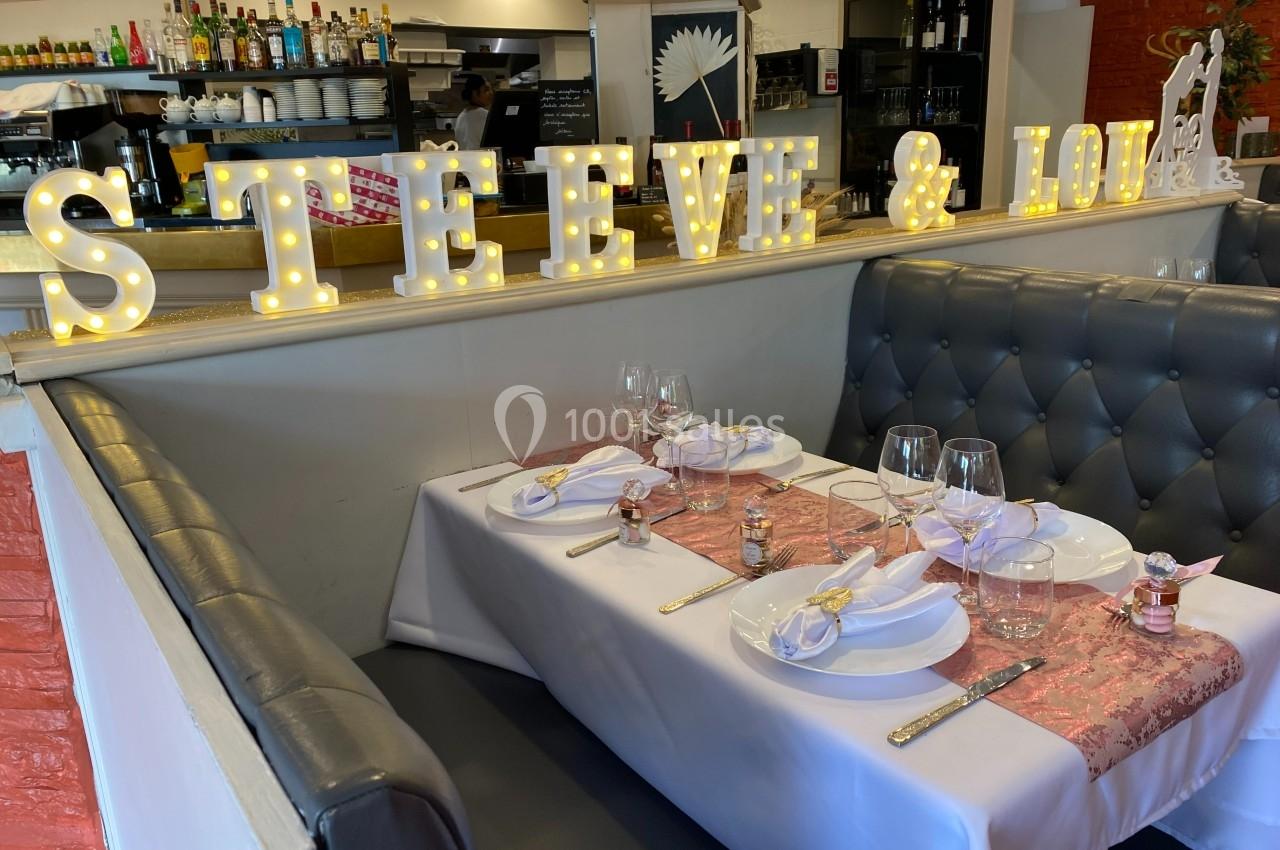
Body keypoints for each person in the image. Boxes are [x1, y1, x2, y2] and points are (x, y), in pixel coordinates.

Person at [455, 75, 493, 150]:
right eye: (486, 90)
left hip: (465, 159)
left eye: (491, 89)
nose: (491, 93)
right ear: (474, 93)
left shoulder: (461, 116)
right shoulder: (484, 115)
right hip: (483, 159)